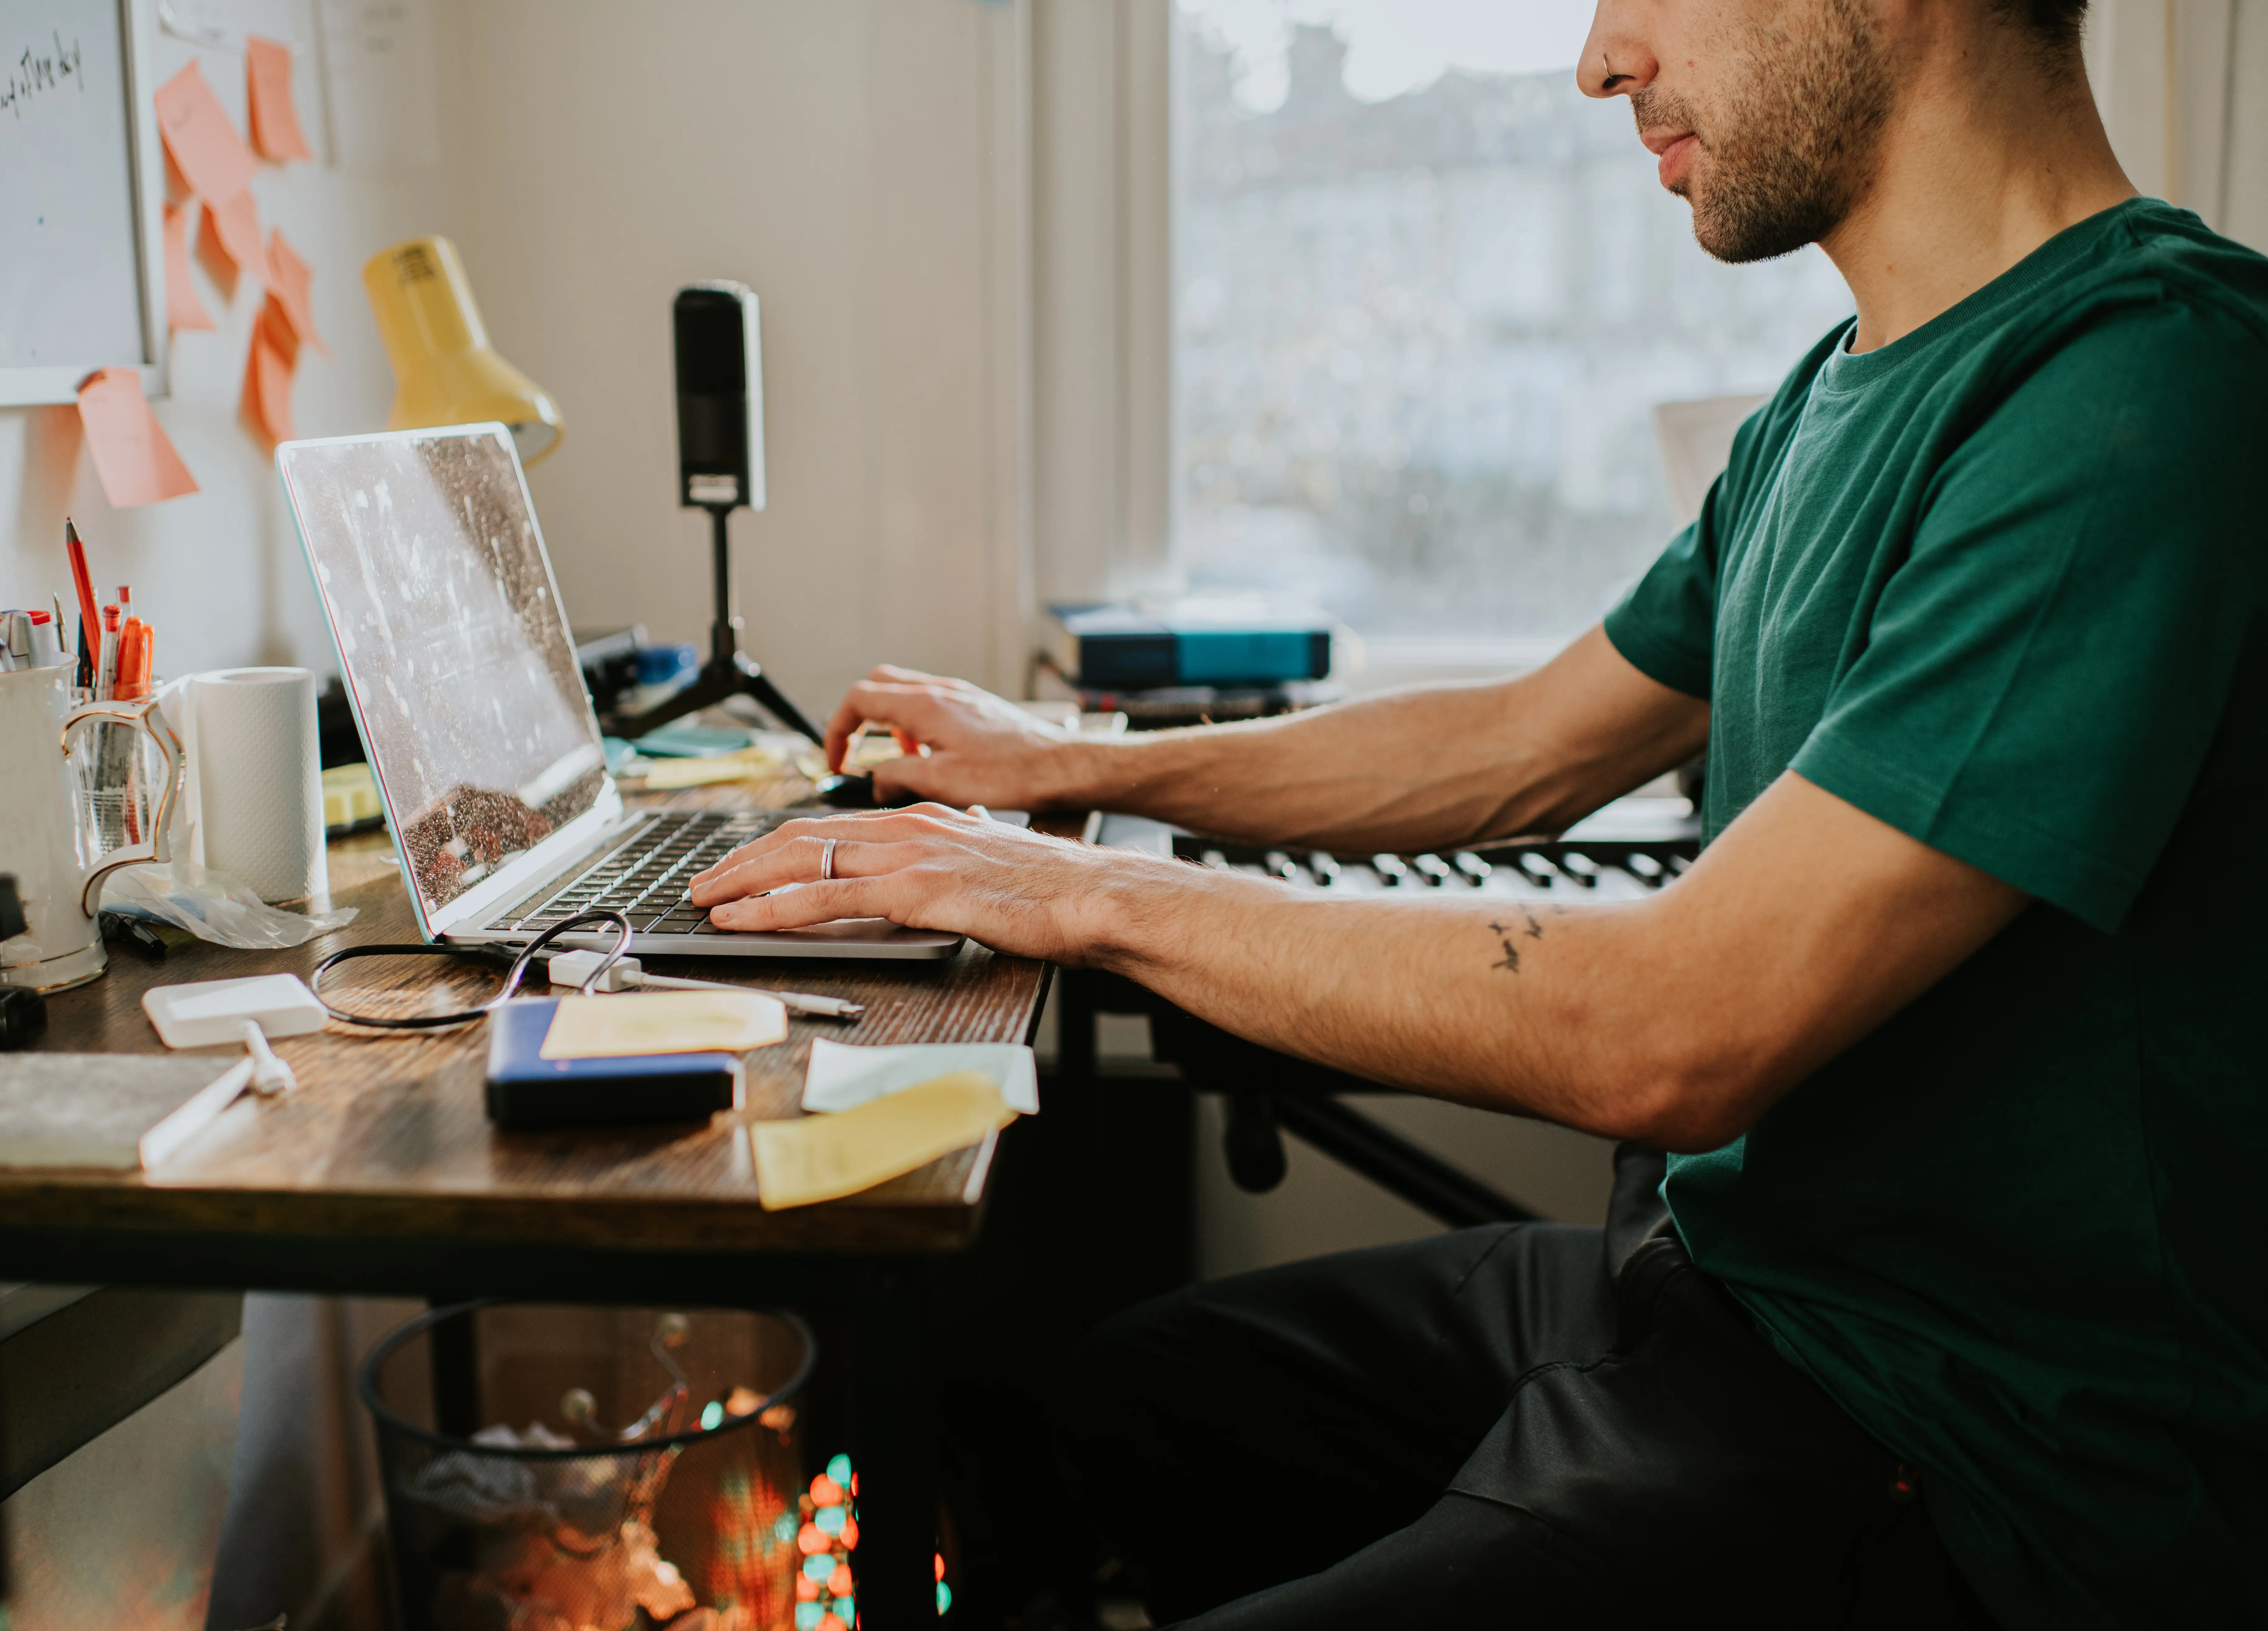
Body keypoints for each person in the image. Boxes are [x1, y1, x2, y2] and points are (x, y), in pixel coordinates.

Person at [691, 0, 2267, 1621]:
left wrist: (1086, 896)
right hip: (1737, 1287)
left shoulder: (2146, 395)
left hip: (1982, 1444)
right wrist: (1071, 766)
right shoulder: (1824, 403)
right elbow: (1519, 744)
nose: (1598, 58)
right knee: (1131, 1404)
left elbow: (1679, 1027)